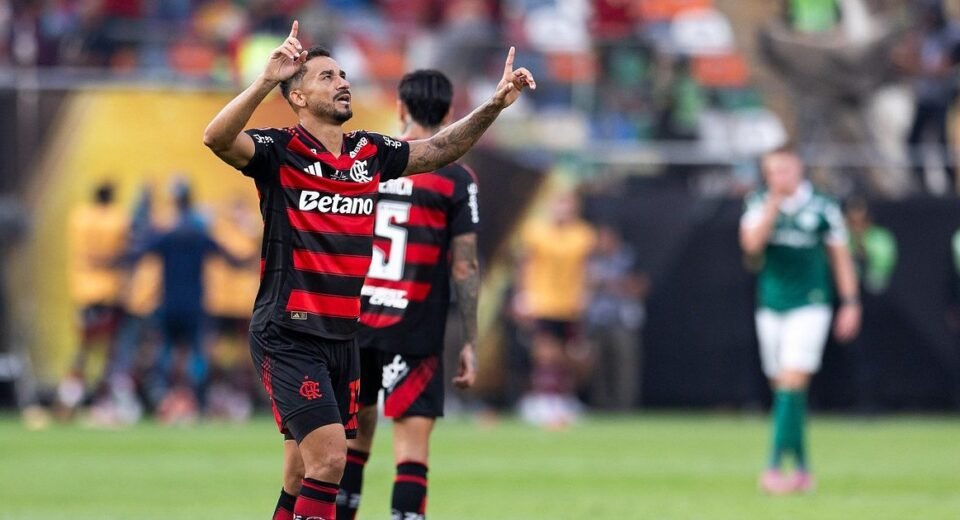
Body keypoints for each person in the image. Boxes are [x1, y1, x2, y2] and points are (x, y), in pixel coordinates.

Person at [202, 20, 535, 520]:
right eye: (326, 77)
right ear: (297, 97)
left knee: (300, 473)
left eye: (343, 75)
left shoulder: (368, 153)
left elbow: (440, 149)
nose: (342, 82)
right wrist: (264, 81)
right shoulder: (279, 151)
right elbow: (216, 137)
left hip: (344, 338)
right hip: (289, 333)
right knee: (332, 460)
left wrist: (493, 104)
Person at [332, 69, 481, 520]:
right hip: (414, 328)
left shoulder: (368, 162)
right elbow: (465, 264)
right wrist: (470, 338)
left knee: (350, 447)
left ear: (399, 108)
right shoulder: (455, 178)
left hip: (354, 324)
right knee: (411, 453)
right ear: (450, 112)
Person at [740, 148, 861, 494]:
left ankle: (773, 467)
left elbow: (841, 257)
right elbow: (751, 247)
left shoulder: (822, 206)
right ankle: (804, 469)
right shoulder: (758, 203)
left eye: (785, 170)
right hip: (772, 305)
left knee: (793, 380)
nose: (780, 177)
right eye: (773, 171)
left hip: (811, 303)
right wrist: (772, 208)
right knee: (786, 387)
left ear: (799, 170)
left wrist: (850, 302)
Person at [515, 190, 596, 428]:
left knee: (569, 355)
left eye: (568, 204)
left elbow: (587, 269)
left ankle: (562, 397)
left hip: (569, 303)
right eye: (559, 203)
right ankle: (544, 399)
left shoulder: (583, 234)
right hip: (543, 301)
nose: (563, 209)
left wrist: (585, 295)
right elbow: (525, 264)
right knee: (545, 353)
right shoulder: (535, 231)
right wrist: (523, 295)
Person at [59, 181, 129, 416]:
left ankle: (69, 399)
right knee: (109, 350)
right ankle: (103, 402)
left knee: (82, 348)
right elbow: (124, 251)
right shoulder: (117, 219)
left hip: (83, 290)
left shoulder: (79, 217)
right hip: (108, 291)